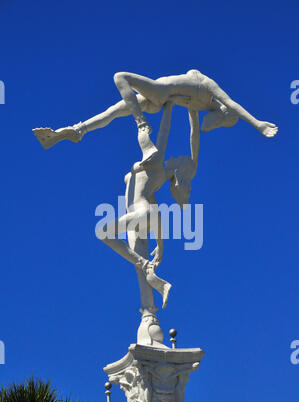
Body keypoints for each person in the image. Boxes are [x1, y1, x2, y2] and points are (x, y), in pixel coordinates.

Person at [95, 99, 199, 309]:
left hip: (140, 214)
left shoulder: (156, 162)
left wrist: (169, 106)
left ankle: (145, 266)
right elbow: (155, 212)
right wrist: (161, 246)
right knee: (140, 270)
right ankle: (151, 305)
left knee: (103, 231)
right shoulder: (158, 177)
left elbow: (165, 132)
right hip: (142, 217)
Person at [33, 69, 278, 155]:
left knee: (119, 92)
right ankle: (78, 130)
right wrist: (258, 124)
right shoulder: (209, 87)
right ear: (224, 113)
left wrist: (192, 162)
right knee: (116, 106)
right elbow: (233, 103)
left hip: (159, 98)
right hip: (159, 94)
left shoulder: (197, 108)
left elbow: (195, 134)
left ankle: (139, 123)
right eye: (222, 121)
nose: (214, 123)